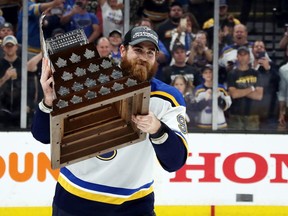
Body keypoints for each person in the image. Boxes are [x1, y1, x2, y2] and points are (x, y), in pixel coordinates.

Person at [31, 26, 188, 216]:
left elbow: (175, 162)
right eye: (137, 50)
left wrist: (158, 129)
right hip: (75, 199)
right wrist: (48, 102)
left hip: (135, 205)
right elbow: (42, 135)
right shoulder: (90, 81)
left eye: (150, 52)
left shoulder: (167, 98)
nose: (144, 57)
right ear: (122, 50)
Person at [227, 46, 264, 131]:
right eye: (240, 55)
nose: (242, 57)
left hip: (253, 115)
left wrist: (240, 91)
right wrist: (251, 89)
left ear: (249, 57)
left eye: (245, 54)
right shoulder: (232, 74)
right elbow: (234, 94)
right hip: (235, 115)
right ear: (237, 57)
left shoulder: (256, 74)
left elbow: (259, 96)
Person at [251, 40, 280, 130]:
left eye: (261, 47)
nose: (259, 48)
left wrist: (268, 68)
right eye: (256, 46)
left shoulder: (271, 65)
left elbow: (277, 82)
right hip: (251, 112)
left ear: (265, 50)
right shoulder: (247, 66)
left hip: (269, 112)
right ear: (252, 50)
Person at [194, 64, 232, 129]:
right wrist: (205, 100)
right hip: (203, 125)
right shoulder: (198, 90)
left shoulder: (221, 88)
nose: (208, 74)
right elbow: (196, 108)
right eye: (206, 73)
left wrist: (219, 98)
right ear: (202, 75)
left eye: (210, 72)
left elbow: (226, 106)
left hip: (220, 124)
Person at [0, 35, 22, 128]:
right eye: (7, 46)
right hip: (2, 108)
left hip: (20, 108)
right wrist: (5, 77)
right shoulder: (0, 64)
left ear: (16, 47)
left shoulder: (23, 64)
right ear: (3, 48)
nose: (9, 48)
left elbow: (31, 86)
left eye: (11, 45)